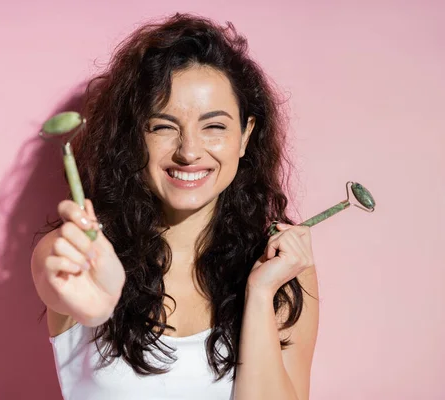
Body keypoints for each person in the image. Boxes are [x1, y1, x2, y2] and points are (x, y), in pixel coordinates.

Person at [31, 13, 319, 400]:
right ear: (136, 136)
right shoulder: (83, 253)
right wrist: (84, 291)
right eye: (163, 126)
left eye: (214, 126)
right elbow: (55, 273)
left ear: (246, 136)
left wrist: (260, 294)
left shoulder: (285, 269)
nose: (188, 151)